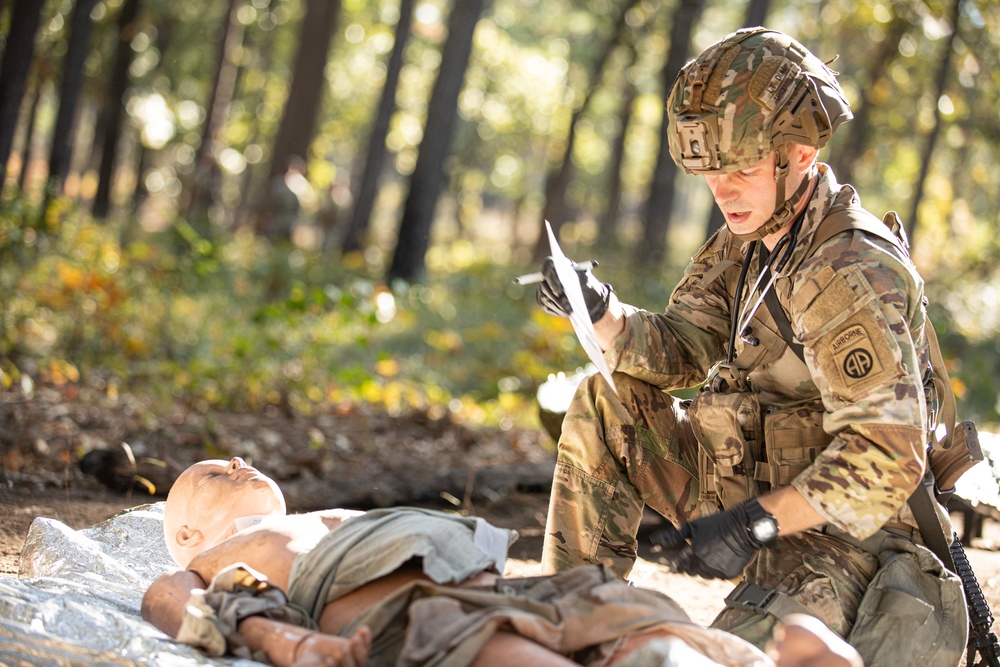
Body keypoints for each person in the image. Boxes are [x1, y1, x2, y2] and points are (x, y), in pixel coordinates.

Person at [533, 26, 960, 658]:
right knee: (605, 400)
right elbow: (685, 346)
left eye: (741, 169)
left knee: (726, 654)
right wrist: (602, 315)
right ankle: (571, 620)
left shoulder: (848, 269)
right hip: (748, 486)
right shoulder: (753, 237)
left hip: (848, 532)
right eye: (710, 173)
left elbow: (889, 457)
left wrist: (755, 524)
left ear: (801, 157)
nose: (722, 191)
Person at [142, 457, 864, 667]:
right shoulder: (219, 553)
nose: (236, 459)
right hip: (402, 609)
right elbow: (175, 602)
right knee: (498, 650)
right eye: (210, 473)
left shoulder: (311, 512)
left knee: (622, 619)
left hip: (503, 588)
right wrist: (291, 642)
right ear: (186, 532)